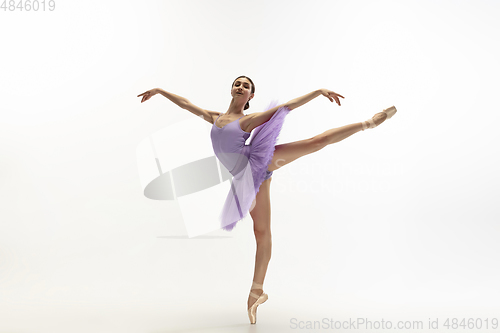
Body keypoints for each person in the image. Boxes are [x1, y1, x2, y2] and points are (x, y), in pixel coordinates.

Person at [138, 76, 397, 324]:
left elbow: (285, 107)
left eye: (246, 86)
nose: (240, 87)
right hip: (247, 178)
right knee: (261, 232)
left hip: (256, 161)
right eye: (237, 84)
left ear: (250, 95)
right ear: (232, 90)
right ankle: (256, 294)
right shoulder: (215, 117)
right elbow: (186, 104)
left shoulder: (247, 120)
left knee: (315, 142)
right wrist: (160, 91)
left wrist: (318, 92)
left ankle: (369, 123)